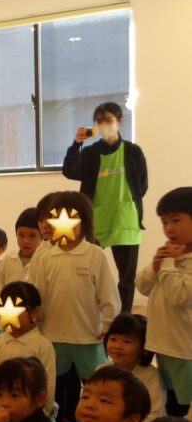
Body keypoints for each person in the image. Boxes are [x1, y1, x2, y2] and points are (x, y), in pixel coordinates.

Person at [28, 190, 121, 422]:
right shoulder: (44, 256)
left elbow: (109, 295)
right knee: (55, 386)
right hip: (53, 335)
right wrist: (32, 317)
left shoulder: (95, 255)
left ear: (84, 222)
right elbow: (34, 292)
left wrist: (108, 325)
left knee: (96, 384)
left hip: (88, 336)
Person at [64, 102, 148, 313]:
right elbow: (70, 170)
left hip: (126, 220)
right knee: (86, 271)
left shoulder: (133, 151)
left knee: (126, 277)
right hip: (96, 219)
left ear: (120, 122)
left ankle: (124, 319)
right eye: (99, 121)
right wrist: (76, 144)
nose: (104, 124)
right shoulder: (90, 153)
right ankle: (89, 314)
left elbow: (142, 185)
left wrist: (127, 203)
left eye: (108, 120)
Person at [136, 187, 192, 418]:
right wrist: (156, 265)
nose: (169, 228)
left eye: (176, 220)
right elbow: (142, 286)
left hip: (184, 349)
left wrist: (168, 264)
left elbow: (180, 296)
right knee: (169, 400)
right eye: (164, 222)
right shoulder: (171, 256)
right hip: (162, 344)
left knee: (185, 405)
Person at [0, 280, 57, 422]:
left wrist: (39, 418)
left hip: (31, 414)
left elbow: (48, 387)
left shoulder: (43, 346)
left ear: (35, 311)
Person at [99, 313, 166, 422]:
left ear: (144, 348)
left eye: (127, 342)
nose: (117, 346)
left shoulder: (150, 376)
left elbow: (154, 414)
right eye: (113, 339)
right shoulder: (102, 370)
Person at [0, 207, 43, 302]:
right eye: (21, 235)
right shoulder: (8, 260)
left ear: (42, 237)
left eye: (32, 236)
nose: (26, 241)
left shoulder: (44, 260)